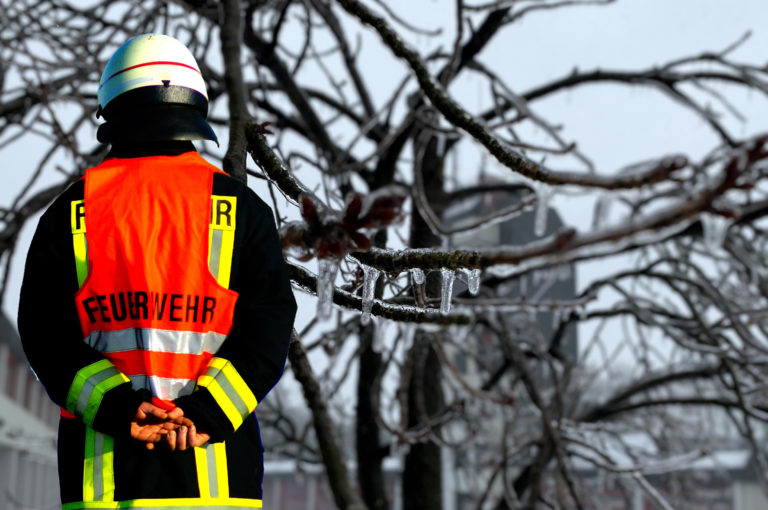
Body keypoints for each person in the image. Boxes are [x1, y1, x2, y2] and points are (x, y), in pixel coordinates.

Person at [18, 33, 296, 509]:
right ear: (194, 108)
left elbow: (45, 336)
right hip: (219, 484)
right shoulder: (238, 209)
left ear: (110, 109)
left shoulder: (71, 213)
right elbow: (268, 334)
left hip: (101, 483)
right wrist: (204, 414)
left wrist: (117, 407)